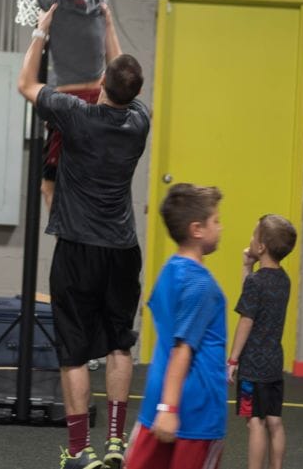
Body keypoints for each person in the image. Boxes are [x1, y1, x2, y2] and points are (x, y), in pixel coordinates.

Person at [17, 7, 150, 469]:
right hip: (123, 251)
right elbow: (122, 74)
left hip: (77, 250)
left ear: (103, 84)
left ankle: (79, 450)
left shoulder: (75, 115)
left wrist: (41, 30)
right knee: (119, 345)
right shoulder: (140, 122)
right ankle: (116, 441)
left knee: (73, 352)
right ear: (136, 91)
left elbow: (25, 84)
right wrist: (110, 26)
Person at [18, 0, 117, 210]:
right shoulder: (97, 1)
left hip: (66, 104)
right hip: (100, 100)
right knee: (92, 173)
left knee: (49, 183)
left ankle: (63, 226)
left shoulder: (53, 3)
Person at [125, 183, 227, 469]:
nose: (220, 227)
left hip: (158, 403)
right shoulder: (201, 283)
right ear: (197, 229)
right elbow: (182, 349)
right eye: (216, 221)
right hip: (194, 412)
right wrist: (169, 408)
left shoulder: (169, 271)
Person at [227, 214, 297, 469]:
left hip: (252, 367)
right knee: (274, 420)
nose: (250, 239)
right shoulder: (284, 280)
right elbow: (255, 296)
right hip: (273, 364)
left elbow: (246, 320)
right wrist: (248, 266)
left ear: (261, 247)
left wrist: (233, 358)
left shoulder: (256, 282)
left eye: (253, 236)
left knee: (254, 421)